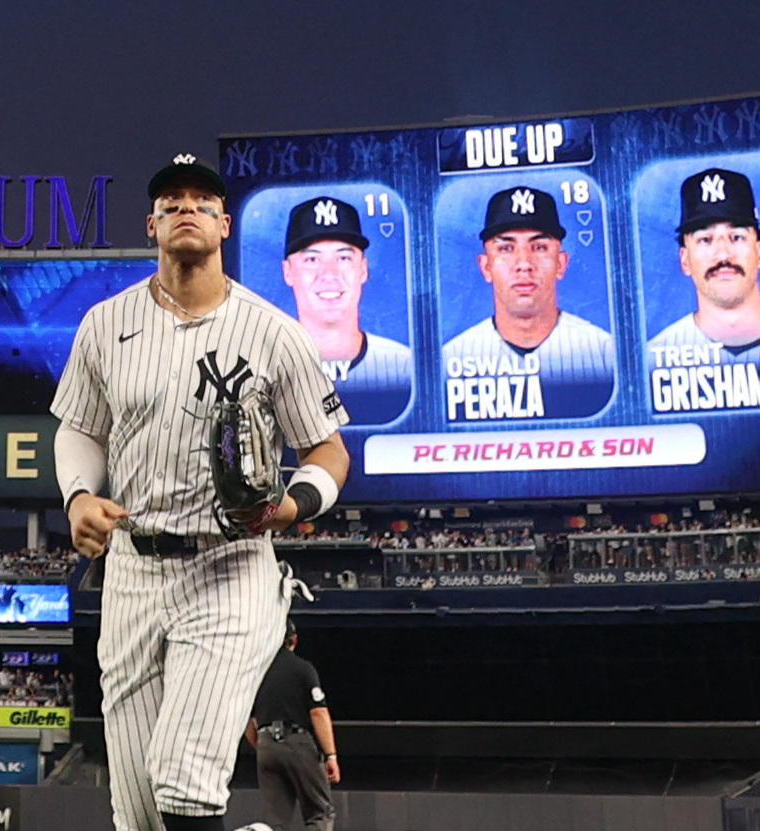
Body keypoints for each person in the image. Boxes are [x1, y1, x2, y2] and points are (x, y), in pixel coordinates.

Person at [51, 152, 350, 831]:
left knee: (185, 780)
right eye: (172, 199)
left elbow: (327, 449)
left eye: (202, 199)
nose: (186, 206)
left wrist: (290, 505)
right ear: (151, 224)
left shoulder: (273, 331)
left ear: (224, 224)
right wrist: (77, 496)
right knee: (139, 812)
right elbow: (78, 430)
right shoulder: (104, 323)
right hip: (129, 569)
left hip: (230, 563)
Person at [442, 185, 614, 420]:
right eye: (506, 248)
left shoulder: (604, 353)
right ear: (486, 266)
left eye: (539, 247)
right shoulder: (451, 359)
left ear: (561, 264)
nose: (524, 263)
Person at [282, 196, 412, 424]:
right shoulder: (262, 367)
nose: (329, 274)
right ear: (288, 272)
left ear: (363, 269)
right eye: (312, 259)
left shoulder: (403, 366)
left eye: (343, 258)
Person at [648, 168, 760, 363]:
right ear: (685, 260)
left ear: (758, 252)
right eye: (706, 240)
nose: (723, 254)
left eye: (736, 237)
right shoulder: (654, 361)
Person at [246, 619, 340, 831]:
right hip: (297, 742)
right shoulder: (303, 669)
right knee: (320, 813)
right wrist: (331, 755)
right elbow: (318, 713)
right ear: (294, 640)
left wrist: (262, 745)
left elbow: (245, 719)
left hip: (266, 745)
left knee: (274, 822)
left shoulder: (256, 673)